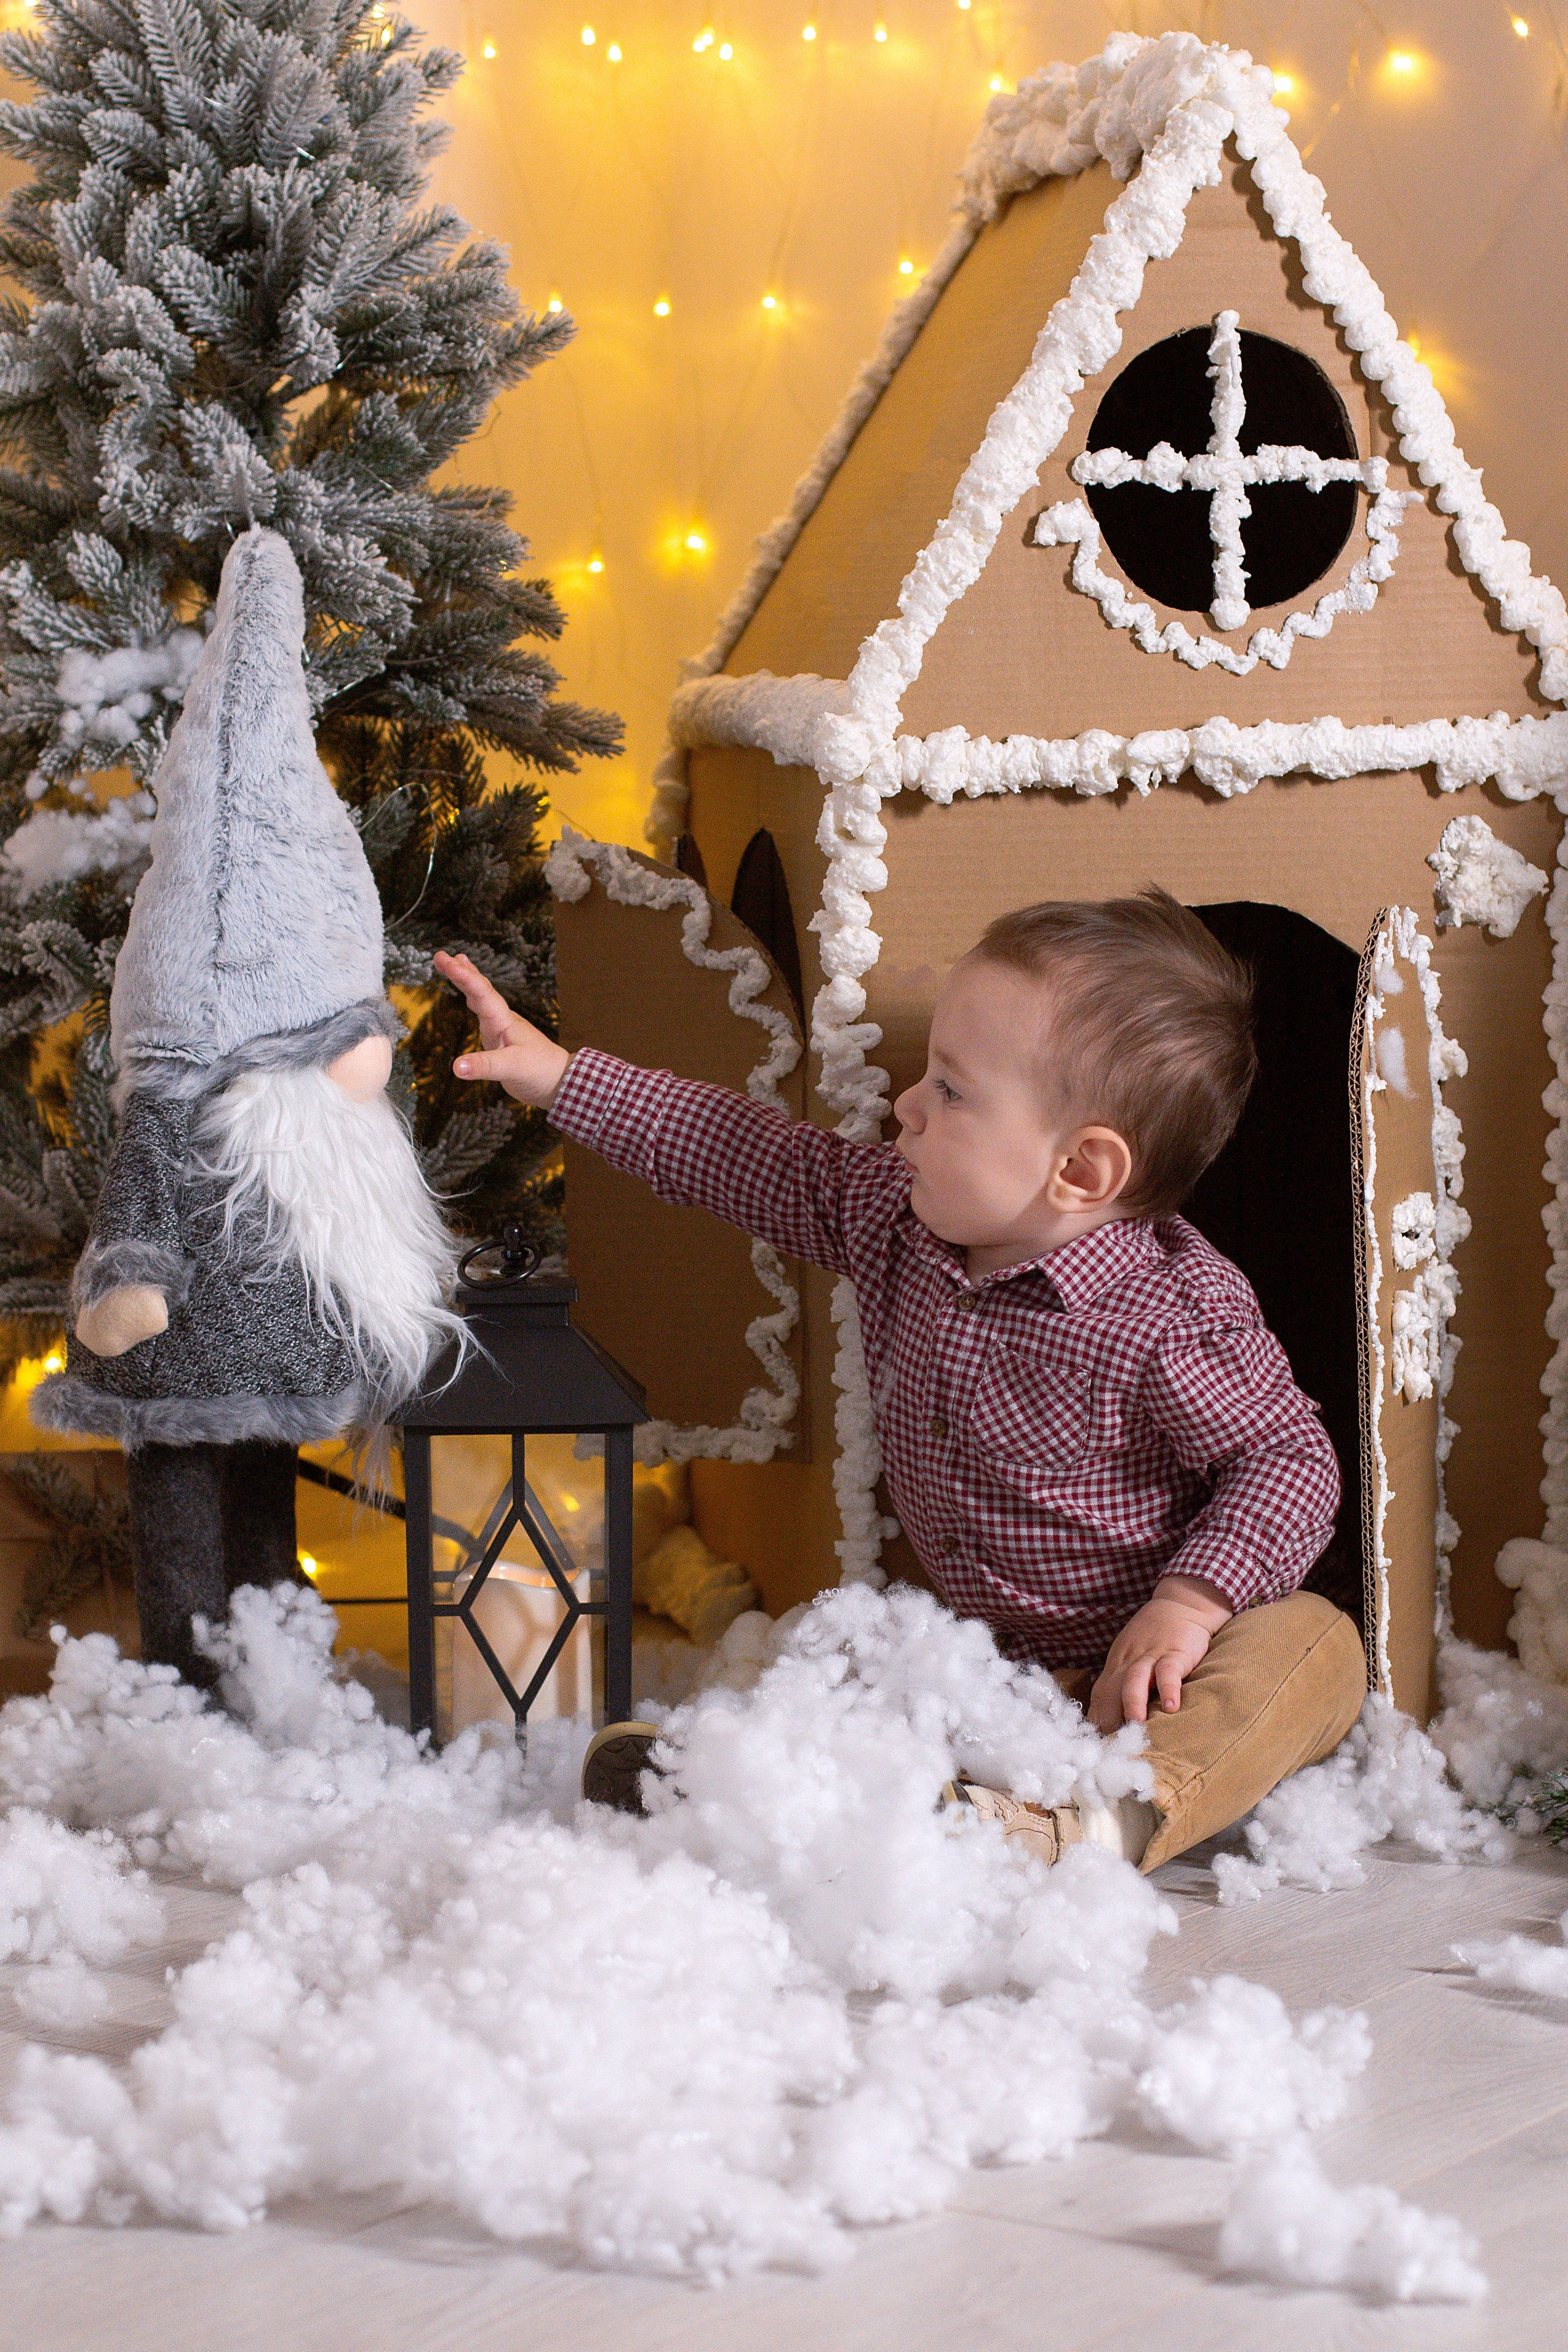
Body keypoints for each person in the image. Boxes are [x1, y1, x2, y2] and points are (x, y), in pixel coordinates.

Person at [432, 887, 1365, 1869]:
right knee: (845, 1641)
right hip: (981, 1669)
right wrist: (563, 1079)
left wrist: (1188, 1605)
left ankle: (1106, 1823)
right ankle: (745, 1787)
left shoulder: (1172, 1315)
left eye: (950, 1092)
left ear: (1082, 1172)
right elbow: (740, 1152)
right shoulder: (892, 1219)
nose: (906, 1106)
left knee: (1313, 1647)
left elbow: (1289, 1460)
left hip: (1152, 1678)